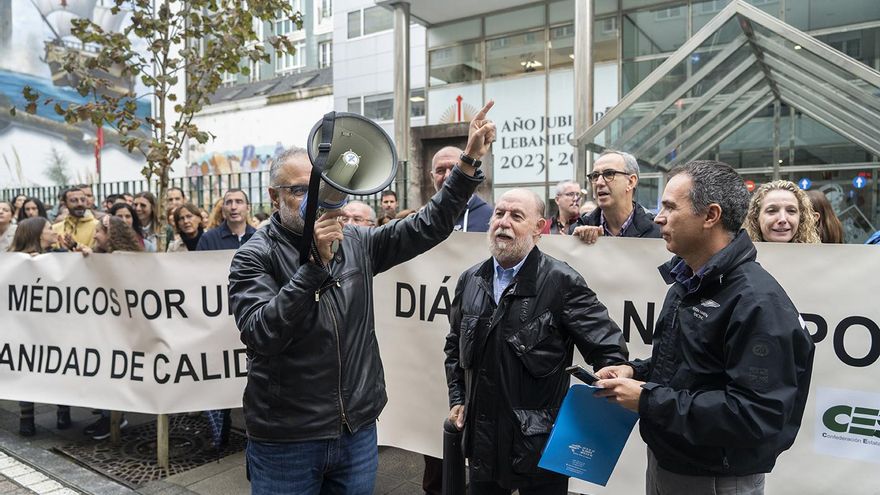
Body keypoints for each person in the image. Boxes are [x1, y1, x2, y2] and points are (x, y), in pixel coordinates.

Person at [229, 100, 495, 494]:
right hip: (286, 439)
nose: (312, 194)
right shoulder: (254, 255)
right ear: (273, 195)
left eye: (317, 183)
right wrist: (313, 269)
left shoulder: (356, 242)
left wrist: (468, 162)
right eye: (298, 189)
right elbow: (261, 334)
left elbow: (427, 225)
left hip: (355, 431)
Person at [594, 161, 815, 495]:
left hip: (714, 479)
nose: (658, 218)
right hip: (671, 463)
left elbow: (755, 415)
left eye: (669, 207)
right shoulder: (688, 282)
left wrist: (647, 400)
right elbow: (686, 368)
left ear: (710, 216)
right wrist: (634, 372)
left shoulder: (757, 302)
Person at [444, 188, 628, 495]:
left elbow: (608, 349)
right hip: (482, 444)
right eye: (499, 213)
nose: (503, 222)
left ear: (538, 229)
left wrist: (610, 379)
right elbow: (454, 348)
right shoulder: (470, 280)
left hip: (540, 448)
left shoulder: (562, 281)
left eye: (516, 216)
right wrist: (458, 398)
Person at [7, 217, 74, 436]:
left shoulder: (61, 256)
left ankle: (63, 410)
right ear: (36, 234)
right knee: (26, 368)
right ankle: (27, 417)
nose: (54, 231)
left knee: (59, 366)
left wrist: (77, 250)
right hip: (25, 327)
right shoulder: (12, 261)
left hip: (56, 326)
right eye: (48, 228)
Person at [572, 150, 661, 243]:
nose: (599, 182)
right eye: (595, 176)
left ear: (631, 182)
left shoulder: (658, 231)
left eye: (609, 174)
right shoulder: (579, 228)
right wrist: (575, 246)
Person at [431, 146, 493, 232]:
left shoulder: (490, 218)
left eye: (454, 169)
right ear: (432, 177)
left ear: (469, 173)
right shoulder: (424, 220)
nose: (447, 175)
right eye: (440, 170)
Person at [744, 180, 820, 244]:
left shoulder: (815, 257)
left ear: (801, 217)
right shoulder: (738, 258)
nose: (782, 219)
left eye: (791, 211)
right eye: (772, 211)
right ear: (756, 217)